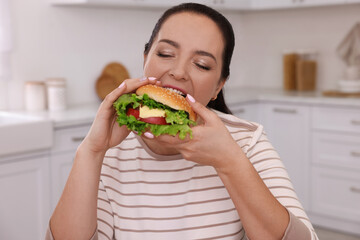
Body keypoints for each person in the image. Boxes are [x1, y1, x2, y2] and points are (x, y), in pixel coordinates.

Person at [47, 3, 319, 240]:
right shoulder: (109, 147)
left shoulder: (246, 141)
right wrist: (91, 152)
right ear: (145, 60)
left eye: (201, 64)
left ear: (218, 87)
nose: (177, 72)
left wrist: (229, 162)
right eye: (165, 54)